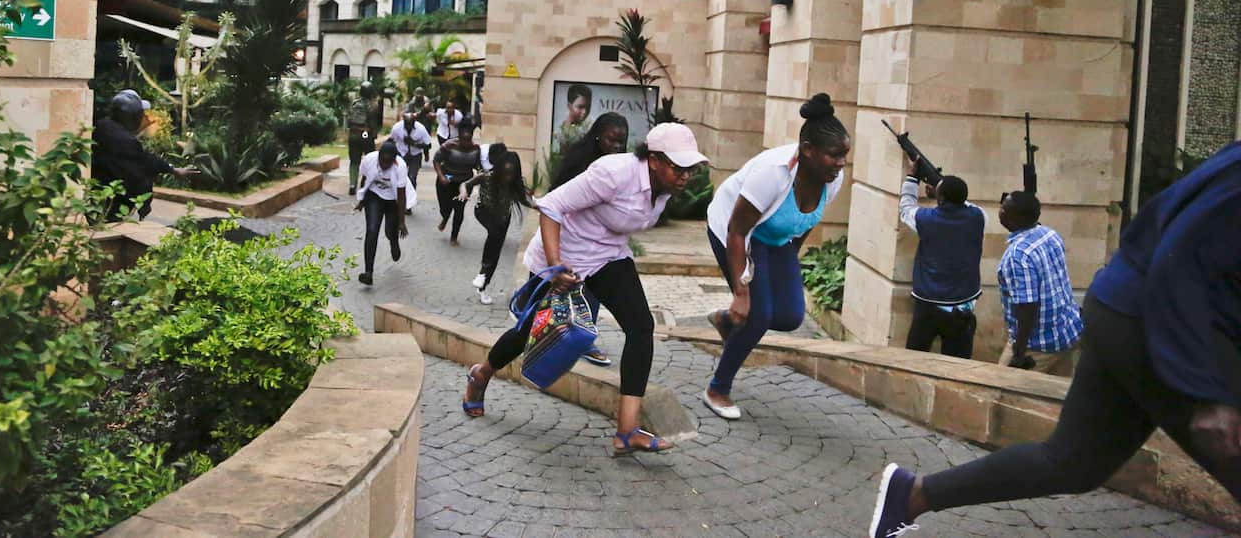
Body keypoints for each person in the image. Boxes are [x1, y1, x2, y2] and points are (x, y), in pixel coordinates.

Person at [868, 140, 1241, 538]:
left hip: (1109, 315)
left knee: (1072, 464)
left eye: (1005, 204)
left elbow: (911, 215)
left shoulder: (1009, 248)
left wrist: (913, 181)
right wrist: (1205, 390)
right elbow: (1179, 258)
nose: (999, 207)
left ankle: (913, 495)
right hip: (1144, 324)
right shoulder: (1023, 232)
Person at [461, 123, 708, 456]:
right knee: (530, 334)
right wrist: (555, 265)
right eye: (678, 167)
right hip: (565, 258)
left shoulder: (663, 189)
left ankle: (627, 431)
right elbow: (550, 207)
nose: (685, 176)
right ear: (653, 159)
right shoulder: (614, 173)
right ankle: (482, 373)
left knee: (641, 327)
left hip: (608, 257)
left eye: (690, 169)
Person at [701, 93, 850, 420]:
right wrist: (742, 294)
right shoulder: (773, 173)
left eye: (844, 156)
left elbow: (805, 220)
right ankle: (717, 389)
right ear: (808, 151)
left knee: (790, 315)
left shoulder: (831, 179)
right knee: (758, 313)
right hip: (735, 231)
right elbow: (736, 230)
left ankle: (726, 322)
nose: (841, 164)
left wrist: (787, 266)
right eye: (834, 155)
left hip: (775, 238)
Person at [549, 111, 632, 366]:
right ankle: (552, 335)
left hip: (600, 241)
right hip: (573, 236)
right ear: (597, 137)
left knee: (592, 291)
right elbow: (557, 200)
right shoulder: (580, 160)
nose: (616, 146)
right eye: (611, 140)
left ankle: (584, 339)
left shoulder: (622, 166)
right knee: (564, 288)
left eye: (621, 141)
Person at [899, 161, 985, 359]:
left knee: (915, 359)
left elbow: (906, 208)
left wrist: (912, 178)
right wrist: (942, 192)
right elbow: (966, 203)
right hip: (963, 306)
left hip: (928, 304)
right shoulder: (977, 217)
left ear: (941, 198)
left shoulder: (926, 219)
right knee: (957, 363)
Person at [996, 191, 1083, 376]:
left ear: (1013, 218)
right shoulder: (1049, 234)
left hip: (1038, 344)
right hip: (1067, 331)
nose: (1000, 210)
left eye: (1004, 208)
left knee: (1001, 394)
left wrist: (1019, 352)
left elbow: (1027, 306)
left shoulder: (1018, 256)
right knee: (1055, 398)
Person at [92, 90, 196, 221]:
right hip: (114, 206)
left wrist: (172, 169)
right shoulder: (126, 142)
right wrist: (145, 203)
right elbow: (142, 166)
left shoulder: (102, 127)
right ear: (132, 117)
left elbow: (145, 157)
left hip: (96, 199)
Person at [460, 147, 533, 304]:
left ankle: (483, 285)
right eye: (505, 173)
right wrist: (463, 192)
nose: (507, 178)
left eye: (511, 174)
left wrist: (539, 205)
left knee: (496, 252)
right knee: (493, 233)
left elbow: (524, 199)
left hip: (502, 218)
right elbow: (465, 184)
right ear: (499, 170)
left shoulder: (514, 183)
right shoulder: (487, 176)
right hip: (483, 212)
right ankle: (483, 272)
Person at [353, 141, 412, 286]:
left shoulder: (401, 167)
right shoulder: (369, 160)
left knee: (389, 232)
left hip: (393, 200)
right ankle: (368, 273)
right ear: (378, 156)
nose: (385, 165)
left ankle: (394, 241)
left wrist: (402, 222)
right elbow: (365, 179)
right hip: (374, 196)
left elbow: (401, 195)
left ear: (394, 161)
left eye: (388, 162)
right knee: (372, 231)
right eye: (382, 161)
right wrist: (361, 200)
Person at [434, 120, 481, 245]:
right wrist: (441, 176)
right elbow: (436, 160)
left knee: (459, 209)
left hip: (464, 184)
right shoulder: (448, 145)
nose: (466, 143)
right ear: (459, 137)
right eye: (463, 139)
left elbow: (478, 166)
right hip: (447, 180)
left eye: (468, 139)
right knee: (445, 207)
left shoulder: (476, 149)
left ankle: (454, 237)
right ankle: (445, 216)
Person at [346, 81, 381, 195]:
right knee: (369, 160)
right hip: (365, 134)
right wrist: (373, 135)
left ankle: (352, 184)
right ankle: (364, 182)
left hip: (353, 134)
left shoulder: (354, 103)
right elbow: (373, 124)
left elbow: (348, 120)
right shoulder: (373, 106)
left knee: (354, 161)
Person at [389, 111, 430, 193]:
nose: (408, 126)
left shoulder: (421, 129)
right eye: (406, 124)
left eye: (410, 124)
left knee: (412, 177)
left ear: (414, 122)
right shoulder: (397, 128)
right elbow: (391, 141)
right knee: (399, 176)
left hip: (415, 155)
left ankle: (411, 196)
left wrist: (414, 144)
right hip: (401, 153)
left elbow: (428, 145)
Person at [553, 83, 593, 153]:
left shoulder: (591, 127)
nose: (584, 112)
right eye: (580, 107)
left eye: (588, 107)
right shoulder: (559, 130)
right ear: (569, 106)